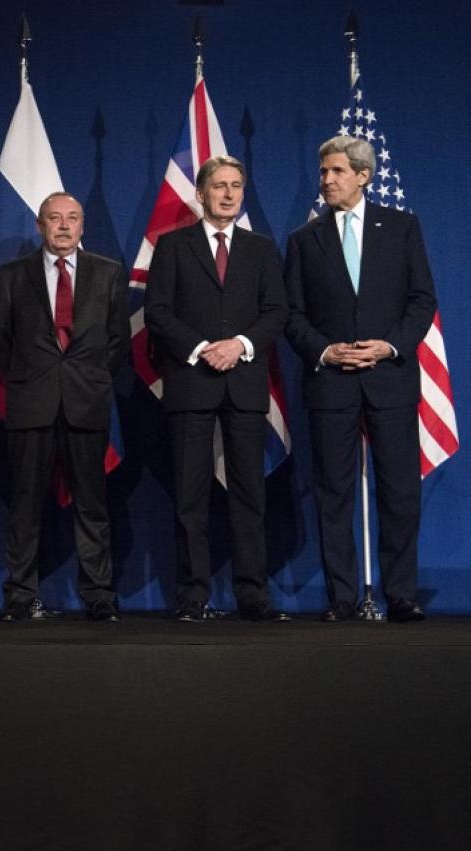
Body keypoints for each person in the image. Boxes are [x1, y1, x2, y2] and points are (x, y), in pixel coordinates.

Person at [284, 135, 437, 623]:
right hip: (331, 383)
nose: (326, 180)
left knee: (400, 491)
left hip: (390, 377)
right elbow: (291, 314)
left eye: (336, 171)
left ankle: (401, 594)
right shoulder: (304, 240)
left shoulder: (402, 227)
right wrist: (325, 350)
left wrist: (390, 346)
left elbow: (422, 300)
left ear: (363, 176)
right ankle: (342, 598)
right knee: (333, 493)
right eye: (323, 171)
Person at [145, 155, 289, 622]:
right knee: (190, 497)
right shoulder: (173, 246)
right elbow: (157, 312)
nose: (229, 194)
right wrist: (203, 348)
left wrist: (240, 345)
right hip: (192, 383)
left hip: (244, 384)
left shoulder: (260, 249)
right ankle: (193, 597)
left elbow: (276, 311)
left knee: (250, 496)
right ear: (201, 193)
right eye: (220, 185)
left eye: (236, 186)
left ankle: (253, 596)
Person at [0, 192, 128, 622]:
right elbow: (3, 344)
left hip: (86, 403)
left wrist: (88, 380)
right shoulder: (12, 275)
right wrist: (33, 382)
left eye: (72, 218)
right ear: (40, 225)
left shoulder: (108, 272)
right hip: (31, 404)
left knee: (92, 505)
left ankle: (99, 596)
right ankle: (20, 595)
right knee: (25, 504)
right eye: (55, 218)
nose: (64, 226)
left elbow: (117, 342)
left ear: (83, 226)